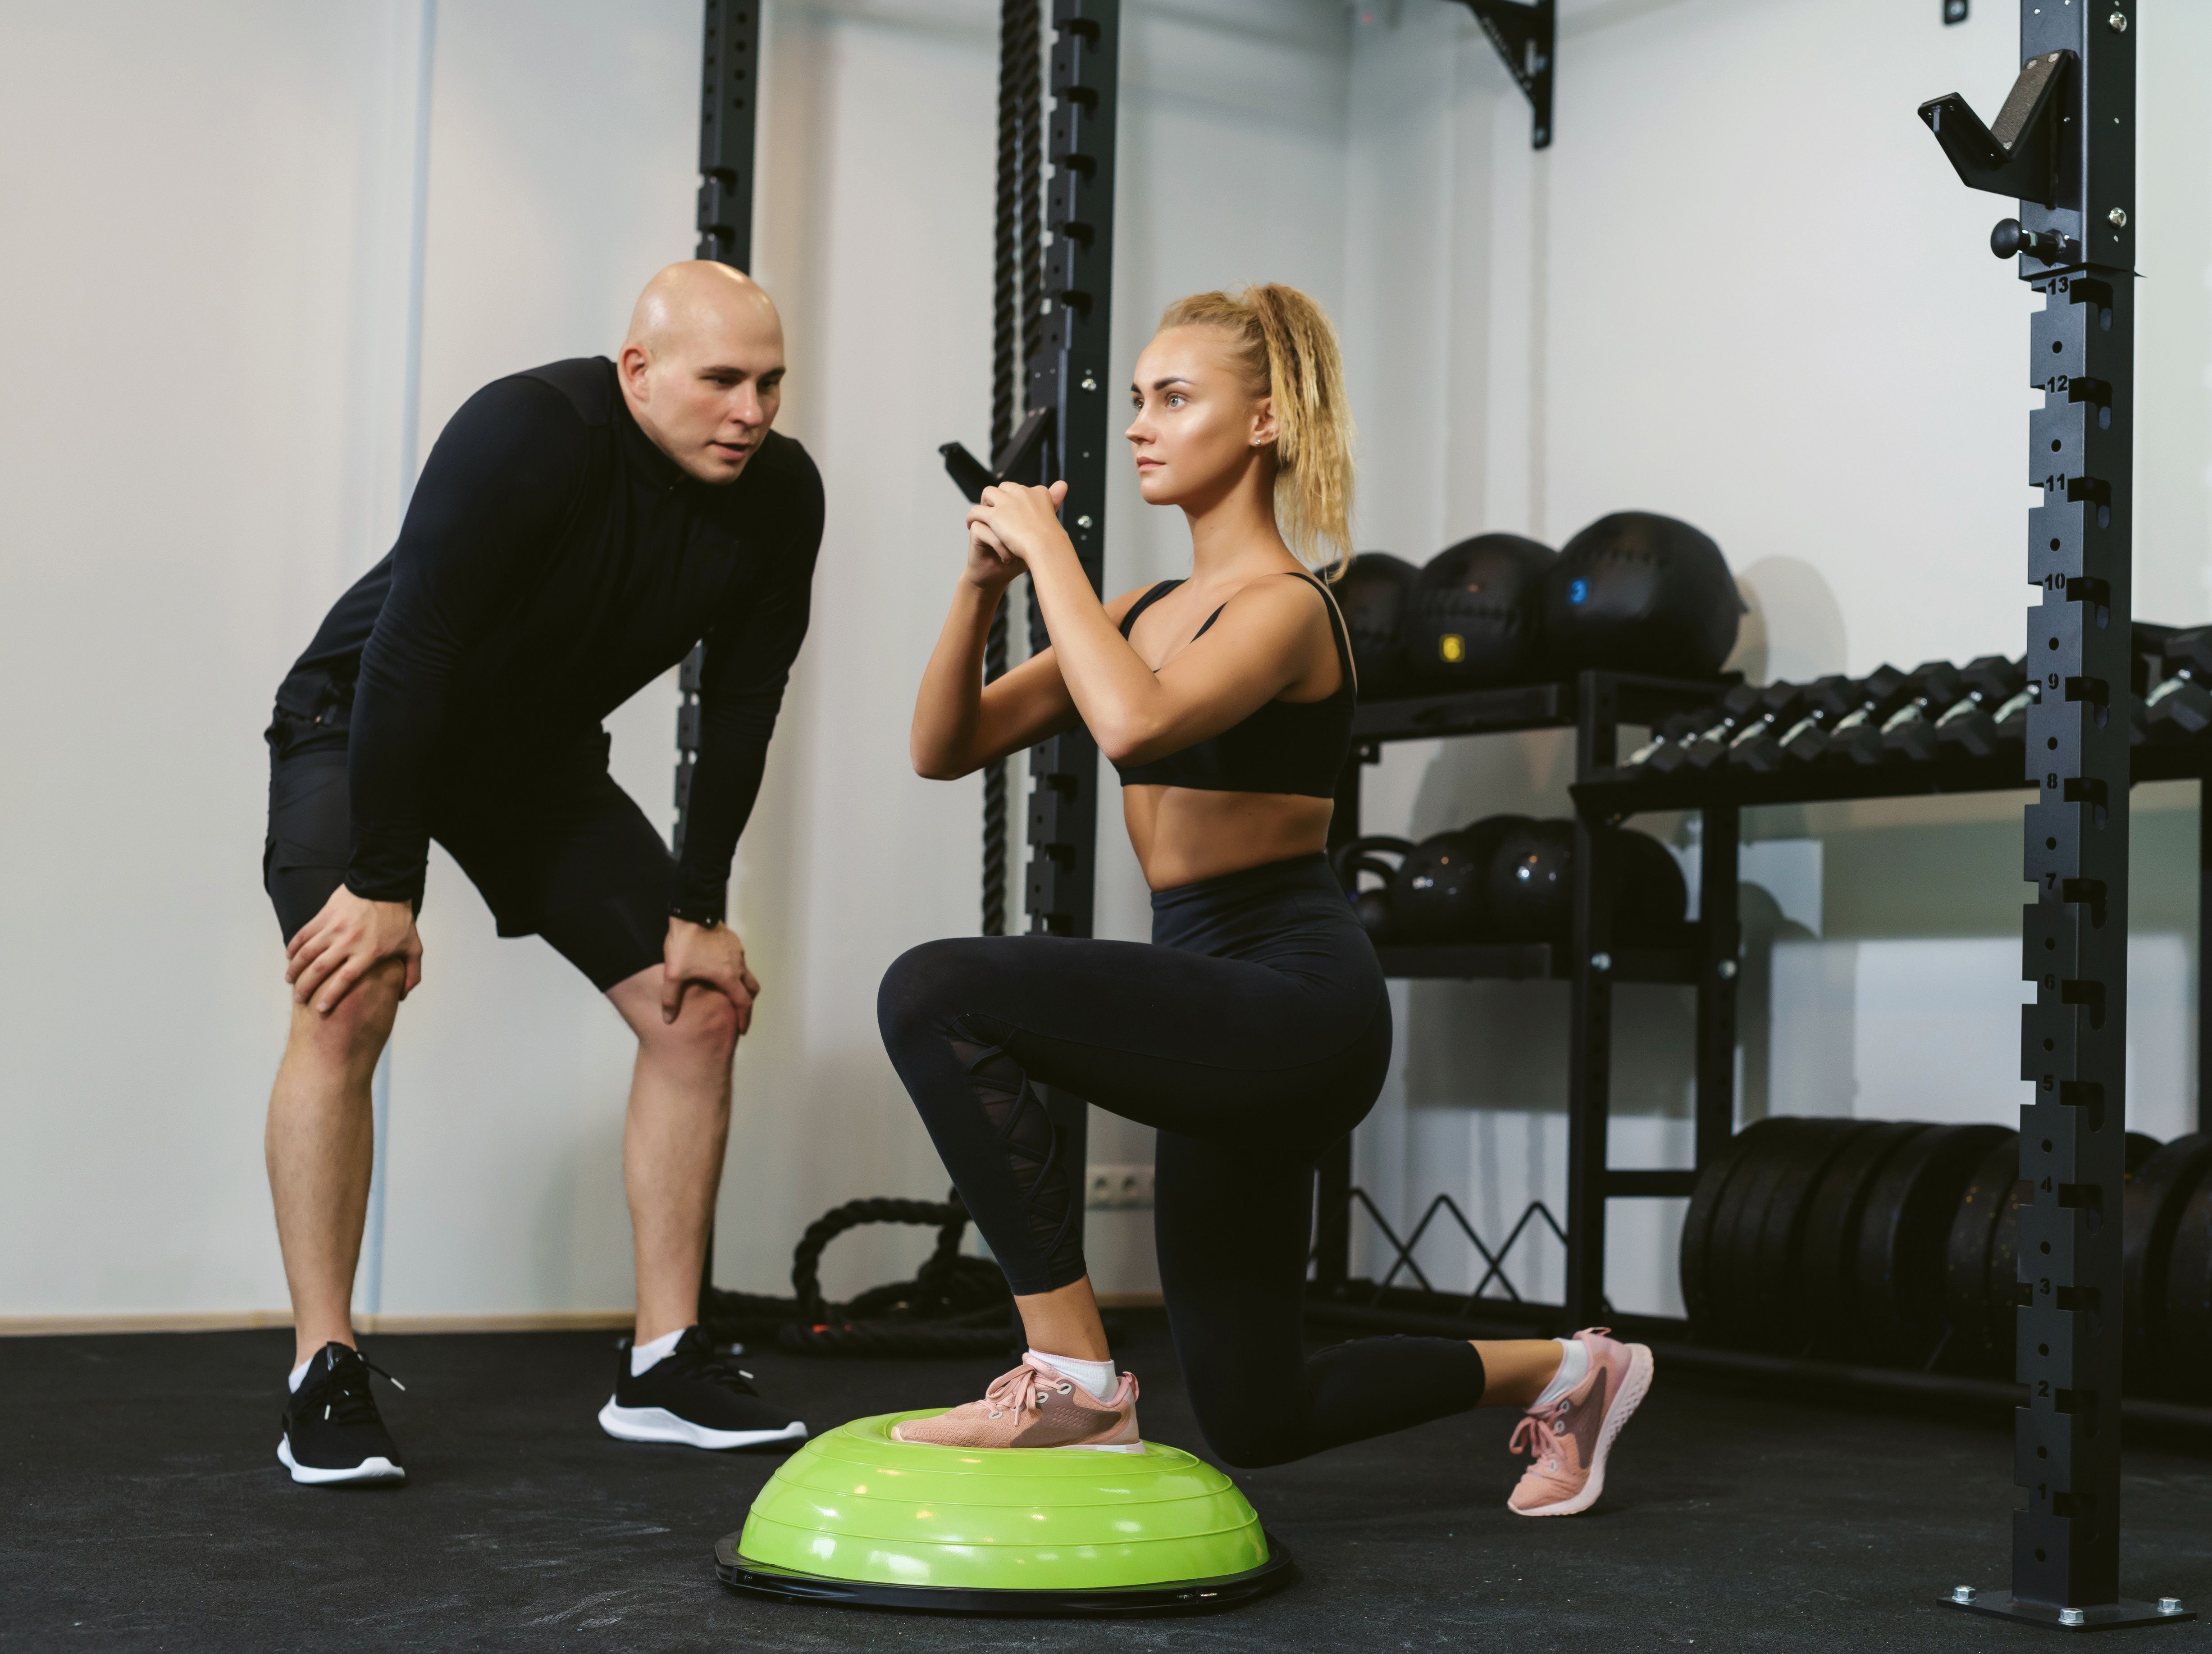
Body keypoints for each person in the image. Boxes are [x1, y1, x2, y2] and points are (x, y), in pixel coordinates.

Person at [878, 284, 1652, 1516]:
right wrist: (981, 581)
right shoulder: (1132, 611)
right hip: (1205, 997)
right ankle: (1574, 1370)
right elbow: (942, 744)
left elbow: (1133, 727)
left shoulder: (1290, 610)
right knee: (1257, 1412)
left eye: (1174, 399)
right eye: (1135, 400)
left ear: (1266, 422)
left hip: (1294, 1002)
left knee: (933, 993)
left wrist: (1054, 563)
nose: (1140, 425)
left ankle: (1071, 1373)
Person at [261, 262, 821, 1485]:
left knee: (700, 1009)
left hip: (529, 761)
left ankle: (665, 1364)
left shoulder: (780, 498)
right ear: (637, 372)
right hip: (360, 718)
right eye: (722, 380)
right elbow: (412, 647)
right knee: (350, 990)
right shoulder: (530, 431)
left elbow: (739, 703)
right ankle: (324, 1366)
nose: (752, 410)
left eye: (770, 382)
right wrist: (382, 879)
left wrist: (697, 911)